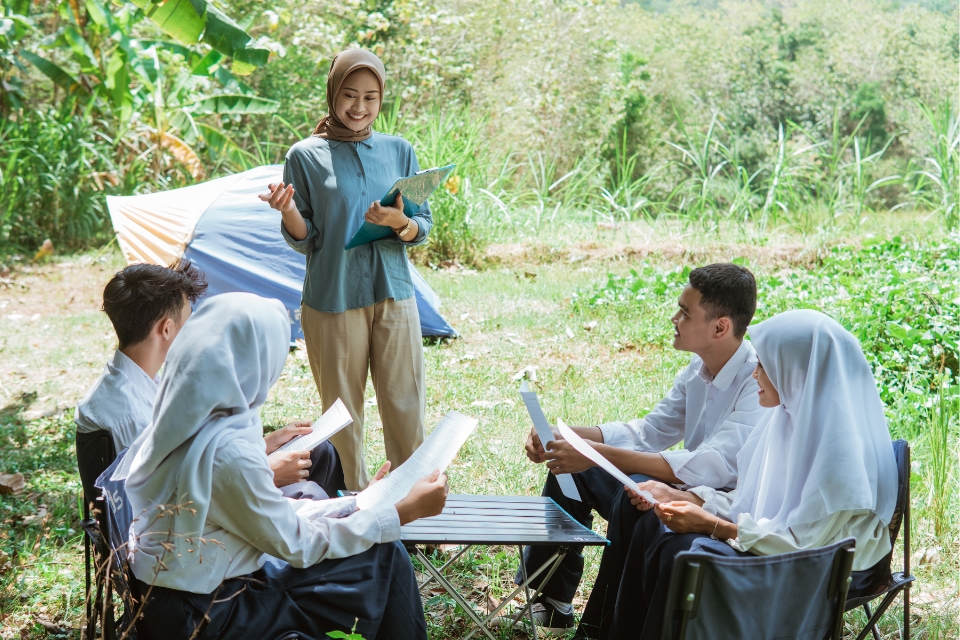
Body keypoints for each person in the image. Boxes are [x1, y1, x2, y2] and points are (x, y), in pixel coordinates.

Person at [116, 292, 447, 640]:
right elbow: (296, 545)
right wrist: (397, 514)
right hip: (206, 612)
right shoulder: (226, 453)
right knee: (385, 556)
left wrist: (357, 504)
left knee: (370, 549)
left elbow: (266, 513)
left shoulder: (183, 416)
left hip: (182, 591)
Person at [593, 309, 897, 640]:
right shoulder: (783, 418)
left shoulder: (841, 456)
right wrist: (687, 498)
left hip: (822, 567)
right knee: (658, 523)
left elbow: (803, 549)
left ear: (797, 373)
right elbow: (750, 498)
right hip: (778, 540)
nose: (754, 375)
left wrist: (711, 524)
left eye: (765, 366)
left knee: (684, 551)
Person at [515, 263, 767, 633]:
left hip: (718, 503)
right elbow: (650, 430)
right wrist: (573, 435)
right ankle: (553, 601)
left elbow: (715, 464)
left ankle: (604, 624)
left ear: (720, 327)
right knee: (580, 476)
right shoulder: (698, 369)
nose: (674, 318)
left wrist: (592, 453)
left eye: (685, 311)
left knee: (634, 487)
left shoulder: (757, 379)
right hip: (684, 485)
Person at [260, 48, 432, 491]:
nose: (359, 107)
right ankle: (350, 515)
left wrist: (401, 222)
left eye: (371, 97)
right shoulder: (305, 155)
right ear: (333, 93)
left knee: (405, 405)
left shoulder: (400, 150)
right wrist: (286, 212)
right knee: (341, 416)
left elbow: (422, 225)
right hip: (332, 297)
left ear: (381, 100)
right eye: (350, 95)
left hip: (394, 292)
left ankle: (411, 510)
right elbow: (306, 235)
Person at [75, 261, 344, 508]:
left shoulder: (144, 379)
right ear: (166, 329)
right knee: (310, 491)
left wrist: (266, 444)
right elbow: (166, 500)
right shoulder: (128, 413)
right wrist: (268, 473)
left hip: (206, 489)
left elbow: (195, 457)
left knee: (319, 451)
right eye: (190, 318)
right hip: (185, 532)